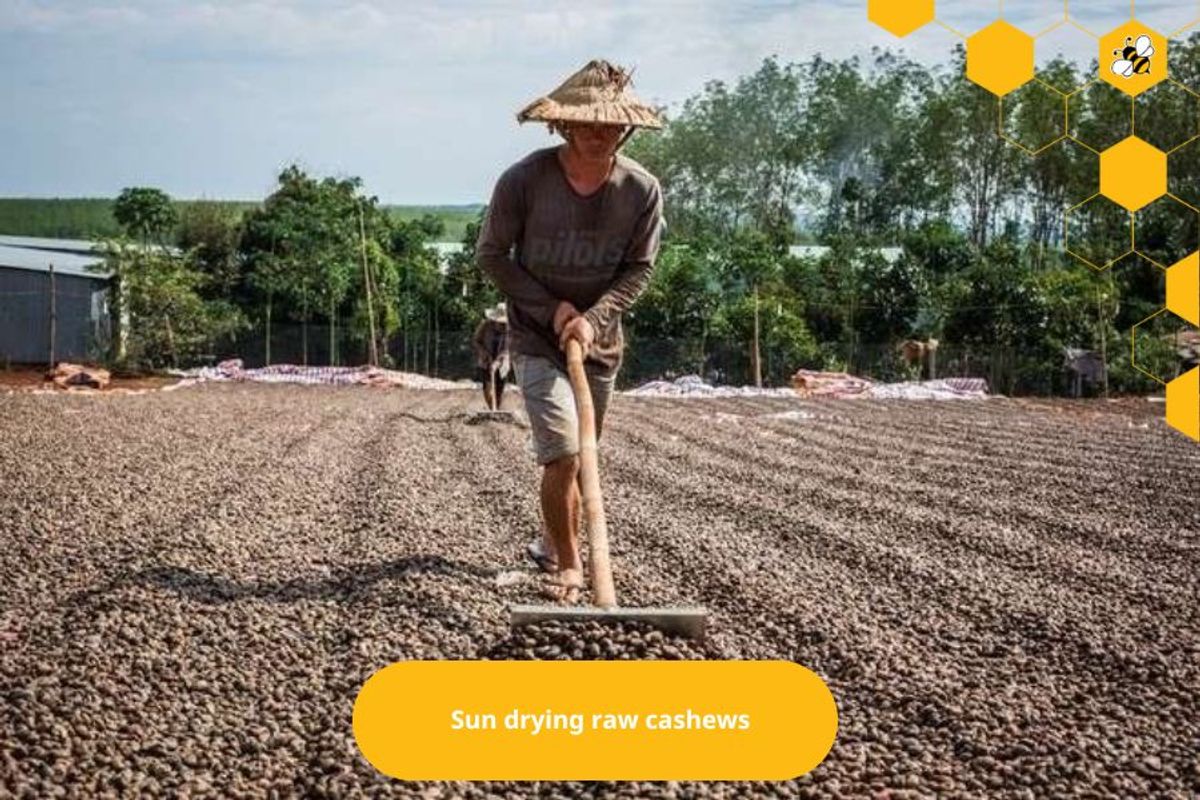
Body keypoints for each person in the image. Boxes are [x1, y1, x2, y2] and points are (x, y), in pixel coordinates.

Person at [476, 59, 665, 601]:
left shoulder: (641, 190)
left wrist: (594, 318)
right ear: (562, 125)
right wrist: (552, 307)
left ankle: (548, 543)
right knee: (562, 452)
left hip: (599, 346)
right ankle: (569, 565)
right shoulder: (524, 180)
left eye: (610, 126)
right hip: (535, 335)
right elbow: (492, 255)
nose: (599, 134)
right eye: (587, 124)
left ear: (626, 128)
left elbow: (639, 268)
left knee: (584, 456)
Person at [471, 302, 511, 410]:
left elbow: (508, 349)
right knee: (488, 390)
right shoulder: (485, 326)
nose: (502, 325)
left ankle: (496, 410)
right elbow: (476, 341)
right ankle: (491, 409)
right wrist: (484, 353)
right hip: (485, 362)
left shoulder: (510, 330)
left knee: (499, 390)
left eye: (504, 323)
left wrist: (497, 362)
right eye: (499, 323)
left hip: (502, 363)